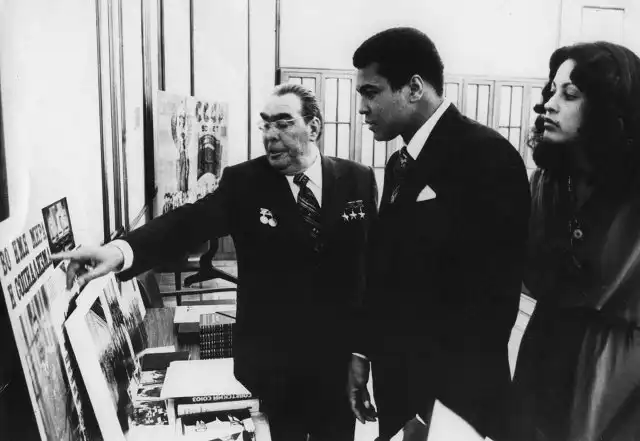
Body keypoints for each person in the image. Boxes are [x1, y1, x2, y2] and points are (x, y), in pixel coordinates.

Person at [56, 83, 378, 441]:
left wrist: (363, 352)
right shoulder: (245, 182)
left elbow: (370, 274)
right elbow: (187, 223)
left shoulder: (358, 180)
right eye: (266, 124)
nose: (270, 135)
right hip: (277, 365)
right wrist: (120, 251)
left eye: (283, 123)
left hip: (338, 363)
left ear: (313, 127)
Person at [345, 27, 531, 440]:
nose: (362, 107)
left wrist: (431, 408)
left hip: (453, 403)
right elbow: (384, 266)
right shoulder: (399, 163)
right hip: (399, 387)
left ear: (414, 88)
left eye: (371, 92)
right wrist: (362, 351)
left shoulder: (486, 155)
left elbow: (492, 301)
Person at [510, 41, 640, 441]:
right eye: (552, 90)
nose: (549, 104)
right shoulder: (546, 183)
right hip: (546, 349)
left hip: (617, 368)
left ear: (609, 108)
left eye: (570, 95)